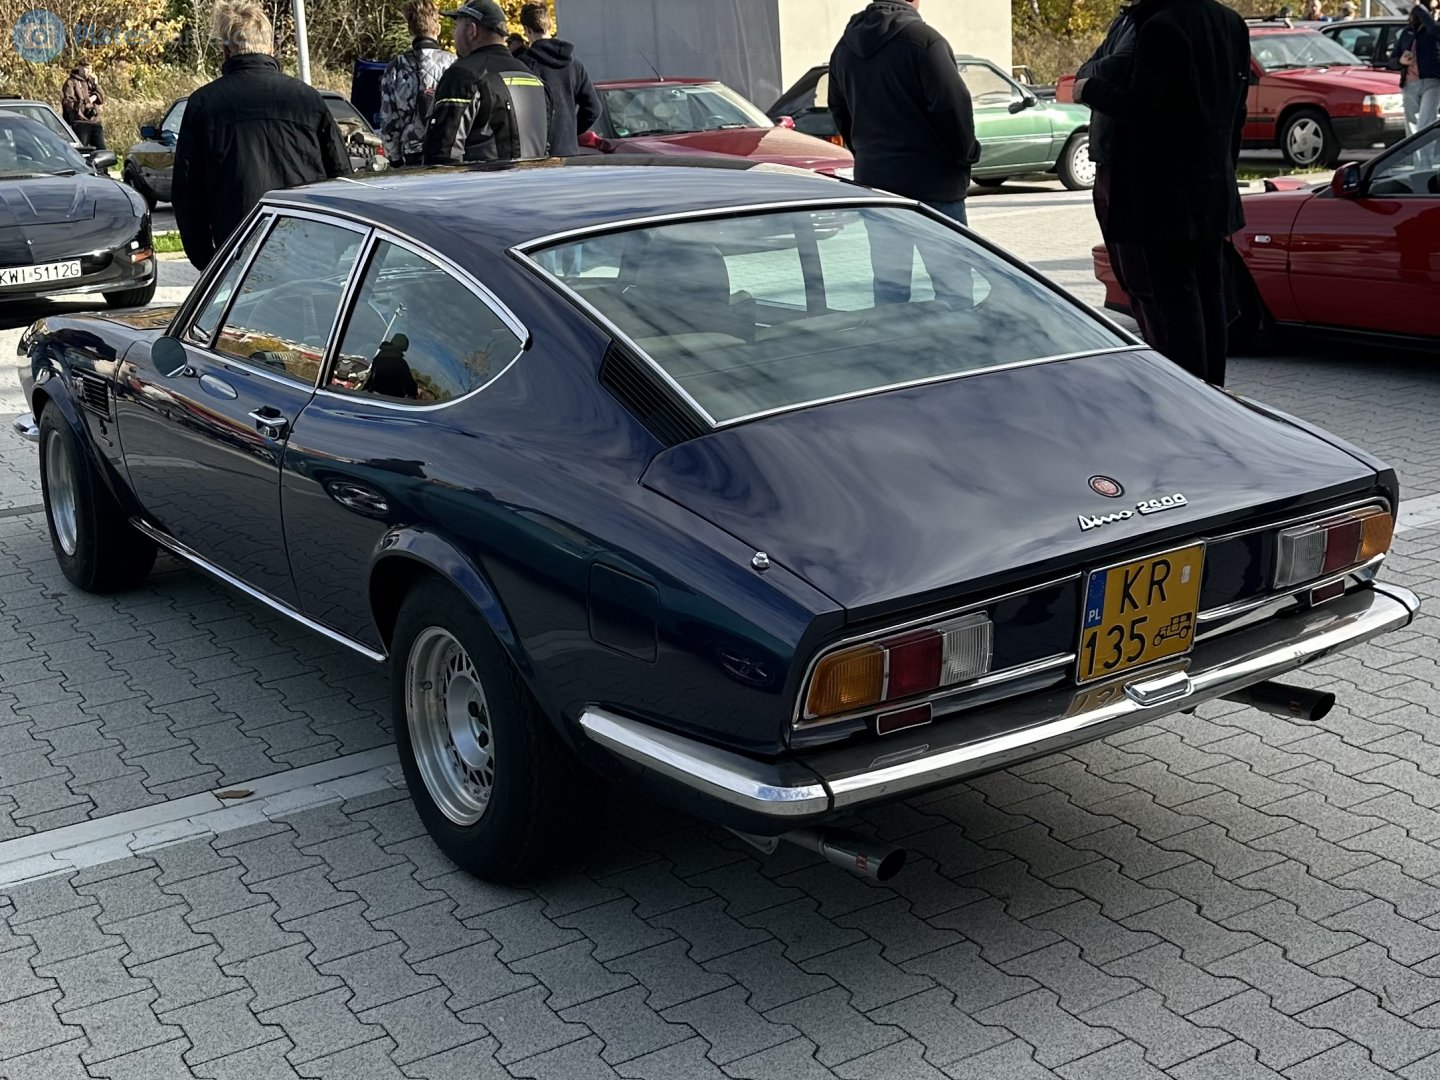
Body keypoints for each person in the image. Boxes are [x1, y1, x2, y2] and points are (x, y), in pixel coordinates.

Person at [1075, 0, 1250, 386]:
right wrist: (1225, 168)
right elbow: (1238, 111)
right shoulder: (1231, 22)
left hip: (1165, 194)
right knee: (1210, 293)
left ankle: (1190, 393)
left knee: (1178, 302)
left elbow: (1144, 112)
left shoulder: (1160, 27)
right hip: (1212, 186)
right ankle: (1215, 389)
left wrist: (1090, 89)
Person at [172, 1, 348, 271]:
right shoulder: (307, 99)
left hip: (239, 253)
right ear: (270, 47)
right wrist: (335, 248)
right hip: (308, 248)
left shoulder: (203, 106)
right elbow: (341, 177)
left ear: (225, 51)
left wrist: (208, 261)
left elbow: (187, 194)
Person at [827, 0, 978, 227]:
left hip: (875, 182)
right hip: (934, 185)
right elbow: (953, 108)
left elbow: (840, 111)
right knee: (948, 263)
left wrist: (867, 153)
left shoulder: (843, 50)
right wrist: (966, 155)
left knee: (889, 264)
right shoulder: (925, 41)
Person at [423, 0, 551, 164]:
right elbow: (545, 146)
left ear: (472, 31)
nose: (454, 34)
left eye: (457, 27)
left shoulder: (462, 76)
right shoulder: (533, 78)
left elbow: (442, 155)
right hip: (533, 185)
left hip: (482, 186)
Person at [1076, 6, 1136, 281]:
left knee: (1139, 276)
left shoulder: (1152, 24)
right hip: (1106, 157)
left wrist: (1090, 82)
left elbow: (1116, 66)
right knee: (1125, 273)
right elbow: (1087, 68)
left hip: (1128, 164)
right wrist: (1092, 75)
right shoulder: (1124, 21)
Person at [515, 2, 600, 156]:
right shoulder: (575, 64)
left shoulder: (525, 64)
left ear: (527, 30)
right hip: (569, 151)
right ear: (550, 25)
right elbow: (593, 108)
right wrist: (570, 132)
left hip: (537, 152)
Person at [379, 0, 456, 166]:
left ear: (409, 30)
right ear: (438, 29)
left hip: (410, 156)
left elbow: (389, 120)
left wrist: (395, 159)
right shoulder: (452, 63)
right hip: (446, 152)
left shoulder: (396, 67)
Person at [61, 62, 106, 150]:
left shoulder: (91, 82)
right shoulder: (71, 82)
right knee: (82, 151)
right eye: (86, 68)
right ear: (80, 68)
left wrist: (96, 86)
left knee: (102, 150)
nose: (88, 71)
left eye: (90, 69)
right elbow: (68, 103)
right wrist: (86, 102)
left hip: (94, 121)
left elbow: (102, 99)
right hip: (80, 122)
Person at [1393, 11, 1423, 135]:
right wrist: (1400, 60)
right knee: (1412, 123)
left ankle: (1432, 154)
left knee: (1430, 121)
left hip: (1433, 82)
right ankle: (1416, 153)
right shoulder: (1408, 32)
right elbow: (1393, 59)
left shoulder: (1435, 31)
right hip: (1411, 82)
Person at [1412, 1, 1440, 134]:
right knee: (1423, 123)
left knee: (1426, 122)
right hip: (1419, 79)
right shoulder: (1414, 30)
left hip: (1433, 80)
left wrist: (1418, 7)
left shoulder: (1433, 28)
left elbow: (1435, 31)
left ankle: (1429, 155)